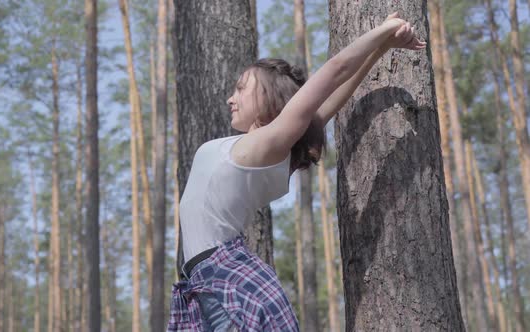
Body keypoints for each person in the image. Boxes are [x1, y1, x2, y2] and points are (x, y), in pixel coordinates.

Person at [167, 12, 426, 332]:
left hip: (223, 279)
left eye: (240, 89)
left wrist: (385, 29)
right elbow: (326, 105)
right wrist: (381, 49)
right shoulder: (263, 144)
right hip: (206, 283)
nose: (230, 98)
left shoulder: (265, 144)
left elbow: (334, 72)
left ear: (270, 97)